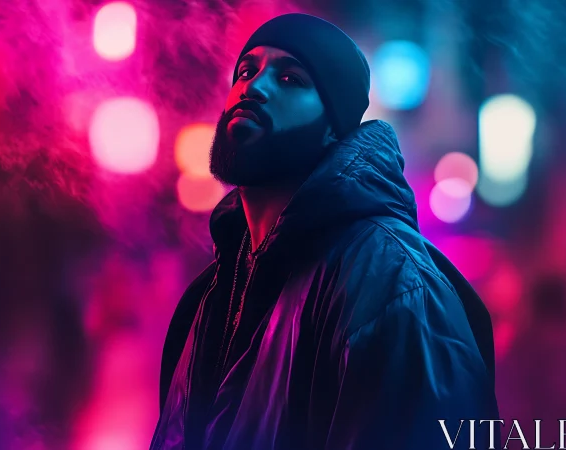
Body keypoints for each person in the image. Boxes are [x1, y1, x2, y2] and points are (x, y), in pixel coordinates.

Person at [150, 12, 500, 450]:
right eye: (246, 70)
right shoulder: (214, 291)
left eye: (291, 79)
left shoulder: (389, 281)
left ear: (333, 127)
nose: (253, 87)